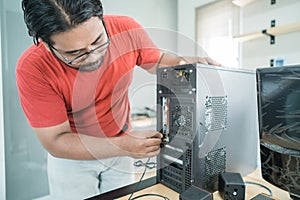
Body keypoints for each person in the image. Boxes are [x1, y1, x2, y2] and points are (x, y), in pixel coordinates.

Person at [16, 0, 219, 199]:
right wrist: (123, 145)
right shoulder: (33, 68)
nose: (93, 57)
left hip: (122, 147)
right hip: (73, 158)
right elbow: (56, 140)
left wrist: (181, 63)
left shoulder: (126, 29)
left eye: (98, 41)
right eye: (75, 53)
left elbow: (157, 61)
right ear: (45, 42)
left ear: (101, 18)